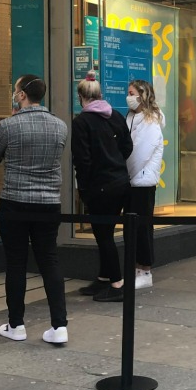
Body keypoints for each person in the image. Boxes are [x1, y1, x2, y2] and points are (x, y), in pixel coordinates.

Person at [0, 75, 69, 345]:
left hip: (15, 201)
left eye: (15, 91)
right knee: (49, 260)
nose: (14, 94)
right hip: (48, 203)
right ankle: (59, 326)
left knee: (15, 263)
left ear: (22, 96)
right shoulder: (60, 127)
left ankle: (17, 324)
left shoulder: (8, 126)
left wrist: (12, 123)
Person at [72, 73, 133, 302]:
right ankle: (105, 277)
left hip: (99, 185)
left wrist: (84, 188)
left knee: (103, 235)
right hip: (120, 181)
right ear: (99, 94)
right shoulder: (115, 116)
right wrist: (114, 161)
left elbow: (82, 160)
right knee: (105, 233)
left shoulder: (82, 122)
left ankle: (117, 283)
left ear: (81, 97)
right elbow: (128, 146)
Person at [125, 79, 164, 290]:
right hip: (132, 181)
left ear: (142, 95)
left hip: (142, 181)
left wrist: (125, 171)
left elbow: (139, 153)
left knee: (142, 228)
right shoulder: (132, 117)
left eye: (131, 93)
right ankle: (136, 267)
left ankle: (145, 270)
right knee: (133, 228)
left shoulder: (151, 122)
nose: (128, 97)